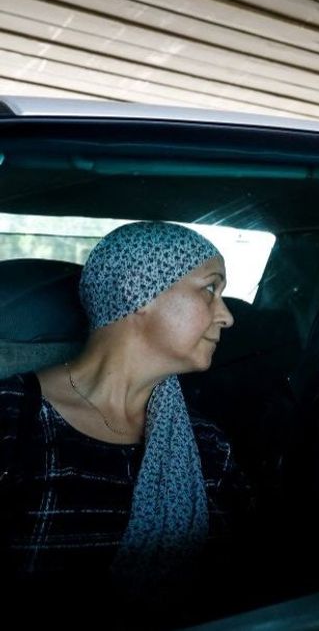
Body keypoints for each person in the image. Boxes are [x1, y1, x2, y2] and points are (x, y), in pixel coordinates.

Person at [0, 221, 251, 625]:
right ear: (139, 291)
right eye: (210, 289)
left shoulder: (207, 445)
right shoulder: (12, 418)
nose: (227, 317)